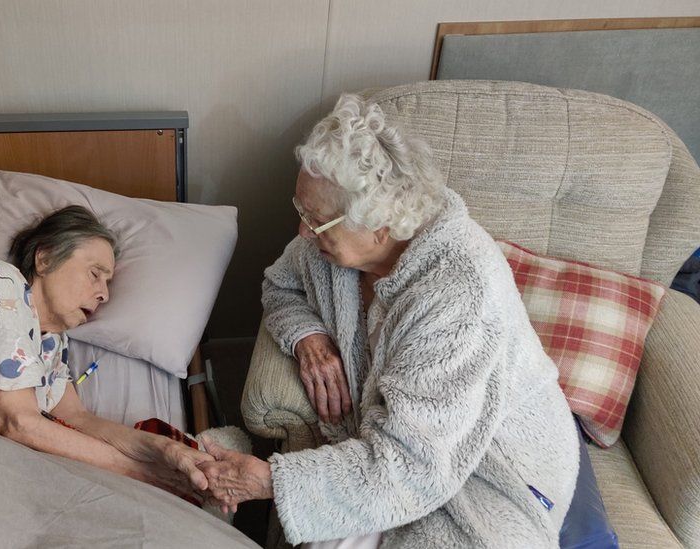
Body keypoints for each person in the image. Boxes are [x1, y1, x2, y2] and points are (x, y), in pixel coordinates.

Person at [198, 93, 580, 547]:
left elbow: (414, 464)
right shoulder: (326, 247)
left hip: (493, 469)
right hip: (403, 452)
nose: (301, 230)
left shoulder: (457, 292)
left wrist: (269, 481)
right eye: (301, 210)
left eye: (314, 220)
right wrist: (309, 337)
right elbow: (279, 285)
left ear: (380, 225)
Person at [0, 205, 212, 500]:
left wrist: (162, 449)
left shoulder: (53, 344)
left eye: (107, 283)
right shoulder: (3, 281)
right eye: (95, 274)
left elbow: (78, 419)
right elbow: (18, 422)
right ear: (44, 259)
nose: (104, 294)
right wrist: (142, 474)